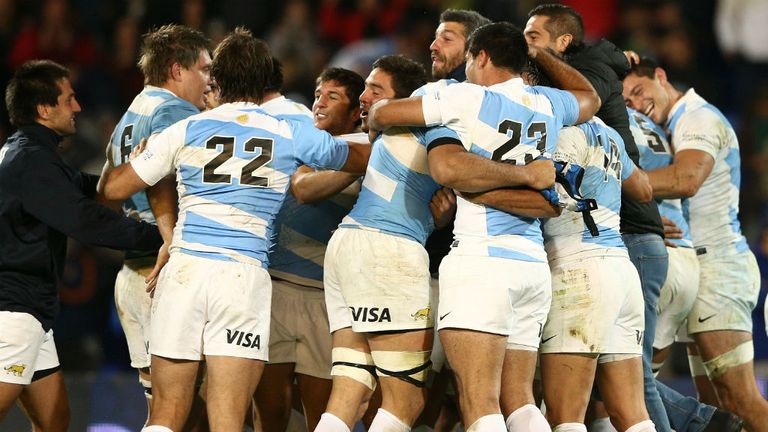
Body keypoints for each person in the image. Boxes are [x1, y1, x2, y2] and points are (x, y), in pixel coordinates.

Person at [99, 28, 370, 432]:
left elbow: (112, 189)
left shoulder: (187, 128)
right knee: (227, 417)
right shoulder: (290, 132)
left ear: (217, 80)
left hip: (185, 273)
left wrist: (143, 156)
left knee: (166, 413)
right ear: (265, 80)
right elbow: (358, 157)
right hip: (241, 279)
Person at [369, 22, 600, 432]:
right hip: (532, 264)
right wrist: (538, 53)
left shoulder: (467, 96)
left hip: (482, 260)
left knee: (479, 401)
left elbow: (384, 113)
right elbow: (590, 98)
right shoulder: (549, 103)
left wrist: (381, 117)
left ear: (481, 57)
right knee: (520, 401)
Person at [524, 6, 741, 432]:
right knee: (618, 391)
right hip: (657, 253)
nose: (635, 103)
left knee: (608, 390)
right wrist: (651, 214)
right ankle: (700, 419)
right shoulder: (633, 124)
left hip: (623, 249)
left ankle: (698, 421)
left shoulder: (574, 119)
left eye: (533, 38)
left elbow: (680, 180)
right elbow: (640, 185)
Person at [0, 59, 162, 430]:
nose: (78, 106)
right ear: (44, 109)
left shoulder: (28, 152)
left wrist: (132, 172)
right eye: (68, 99)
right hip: (14, 311)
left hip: (30, 311)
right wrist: (160, 237)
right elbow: (86, 221)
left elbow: (83, 187)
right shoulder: (32, 160)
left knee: (55, 420)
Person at [623, 57, 767, 432]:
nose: (636, 104)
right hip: (697, 268)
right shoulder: (671, 125)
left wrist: (621, 185)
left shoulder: (697, 118)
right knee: (715, 409)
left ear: (661, 76)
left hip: (719, 266)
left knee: (738, 400)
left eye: (638, 91)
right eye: (628, 101)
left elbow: (687, 179)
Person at [102, 24, 211, 425]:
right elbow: (160, 179)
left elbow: (106, 191)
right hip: (164, 270)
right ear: (177, 70)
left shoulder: (132, 112)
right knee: (190, 408)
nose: (210, 80)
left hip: (134, 273)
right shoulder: (175, 111)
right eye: (204, 69)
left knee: (163, 409)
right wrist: (169, 238)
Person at [253, 64, 365, 432]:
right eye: (318, 95)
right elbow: (303, 189)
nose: (320, 103)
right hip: (276, 288)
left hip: (326, 300)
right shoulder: (303, 143)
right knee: (270, 414)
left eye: (333, 97)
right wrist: (359, 165)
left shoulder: (368, 153)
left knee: (321, 416)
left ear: (356, 112)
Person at [628, 107, 700, 382]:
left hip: (648, 251)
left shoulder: (604, 117)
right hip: (686, 257)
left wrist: (642, 218)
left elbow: (609, 179)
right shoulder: (661, 127)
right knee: (642, 384)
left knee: (623, 385)